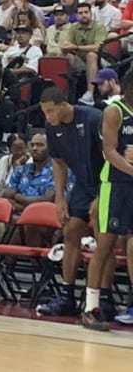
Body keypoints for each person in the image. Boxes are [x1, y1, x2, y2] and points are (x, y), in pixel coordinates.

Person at [36, 87, 116, 320]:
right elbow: (58, 163)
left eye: (51, 111)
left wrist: (101, 196)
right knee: (70, 230)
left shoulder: (92, 119)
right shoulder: (52, 127)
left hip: (107, 181)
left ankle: (104, 298)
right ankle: (67, 295)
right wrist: (60, 197)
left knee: (104, 239)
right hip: (81, 183)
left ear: (63, 104)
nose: (48, 117)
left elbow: (112, 156)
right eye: (44, 112)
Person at [81, 69, 133, 331]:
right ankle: (91, 308)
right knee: (105, 247)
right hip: (115, 185)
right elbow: (109, 152)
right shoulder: (115, 111)